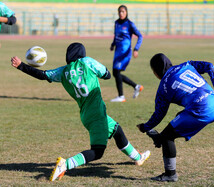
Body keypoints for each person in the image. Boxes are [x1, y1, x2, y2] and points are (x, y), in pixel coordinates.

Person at [10, 42, 150, 182]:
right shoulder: (86, 62)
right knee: (97, 151)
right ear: (82, 53)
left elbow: (42, 75)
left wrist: (21, 65)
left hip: (86, 114)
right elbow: (107, 74)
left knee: (116, 130)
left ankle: (138, 158)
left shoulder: (63, 71)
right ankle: (66, 164)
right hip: (97, 114)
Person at [137, 53, 214, 182]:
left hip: (201, 110)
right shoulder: (187, 65)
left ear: (156, 72)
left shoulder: (163, 87)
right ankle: (159, 139)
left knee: (168, 136)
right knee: (179, 117)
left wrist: (145, 127)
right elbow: (210, 66)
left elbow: (159, 115)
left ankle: (170, 174)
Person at [110, 5, 143, 102]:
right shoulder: (116, 23)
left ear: (126, 13)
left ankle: (121, 96)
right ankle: (136, 86)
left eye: (123, 11)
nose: (121, 13)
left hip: (125, 53)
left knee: (116, 72)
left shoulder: (129, 24)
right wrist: (113, 44)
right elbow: (116, 36)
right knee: (116, 73)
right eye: (119, 11)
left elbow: (140, 36)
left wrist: (136, 49)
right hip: (117, 52)